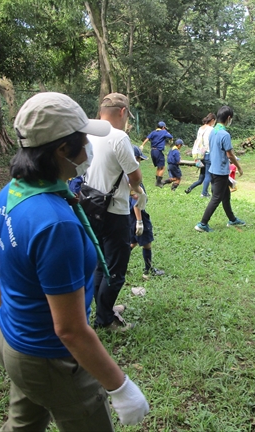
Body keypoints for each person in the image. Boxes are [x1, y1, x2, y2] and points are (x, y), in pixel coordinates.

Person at [0, 91, 149, 431]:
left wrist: (1, 316)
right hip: (50, 357)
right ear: (63, 150)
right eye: (83, 141)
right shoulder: (55, 223)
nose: (89, 148)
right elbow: (71, 329)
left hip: (16, 342)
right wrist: (119, 386)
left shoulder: (11, 191)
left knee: (23, 424)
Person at [85, 92, 148, 331]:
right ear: (122, 112)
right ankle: (105, 319)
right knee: (116, 267)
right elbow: (135, 175)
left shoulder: (88, 132)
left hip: (90, 205)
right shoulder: (118, 137)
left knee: (100, 263)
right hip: (114, 210)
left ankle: (103, 309)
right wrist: (137, 190)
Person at [194, 106, 245, 232]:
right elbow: (230, 155)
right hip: (220, 172)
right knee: (216, 198)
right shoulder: (224, 134)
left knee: (226, 196)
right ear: (228, 118)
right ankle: (202, 224)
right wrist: (239, 167)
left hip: (212, 169)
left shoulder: (213, 132)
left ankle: (232, 219)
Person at [130, 146, 165, 277]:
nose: (139, 162)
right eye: (138, 159)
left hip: (128, 214)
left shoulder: (122, 173)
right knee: (147, 243)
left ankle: (117, 266)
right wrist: (139, 221)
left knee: (132, 242)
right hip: (137, 214)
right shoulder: (131, 176)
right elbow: (136, 202)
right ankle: (148, 271)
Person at [185, 113, 215, 197]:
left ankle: (190, 188)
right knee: (208, 175)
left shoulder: (200, 128)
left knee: (202, 176)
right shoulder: (211, 129)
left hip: (200, 154)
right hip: (208, 153)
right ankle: (204, 193)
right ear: (212, 120)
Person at [140, 121, 173, 187]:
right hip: (158, 151)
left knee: (159, 167)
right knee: (162, 167)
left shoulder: (153, 132)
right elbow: (171, 137)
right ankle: (158, 182)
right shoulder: (164, 132)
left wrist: (142, 145)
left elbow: (147, 138)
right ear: (163, 127)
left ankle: (157, 181)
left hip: (153, 151)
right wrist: (169, 135)